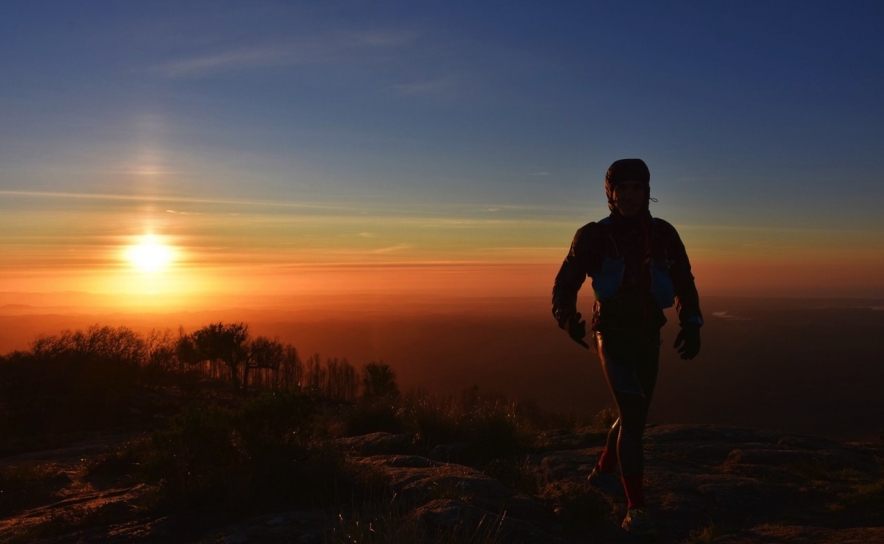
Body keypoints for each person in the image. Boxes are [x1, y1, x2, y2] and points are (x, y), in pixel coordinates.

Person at [551, 158, 703, 538]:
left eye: (637, 188)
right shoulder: (593, 236)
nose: (630, 195)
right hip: (611, 334)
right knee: (633, 412)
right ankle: (636, 508)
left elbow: (683, 280)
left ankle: (602, 470)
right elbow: (566, 281)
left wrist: (692, 322)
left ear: (647, 192)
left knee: (632, 415)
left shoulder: (664, 234)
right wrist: (566, 316)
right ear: (610, 193)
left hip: (649, 334)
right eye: (622, 189)